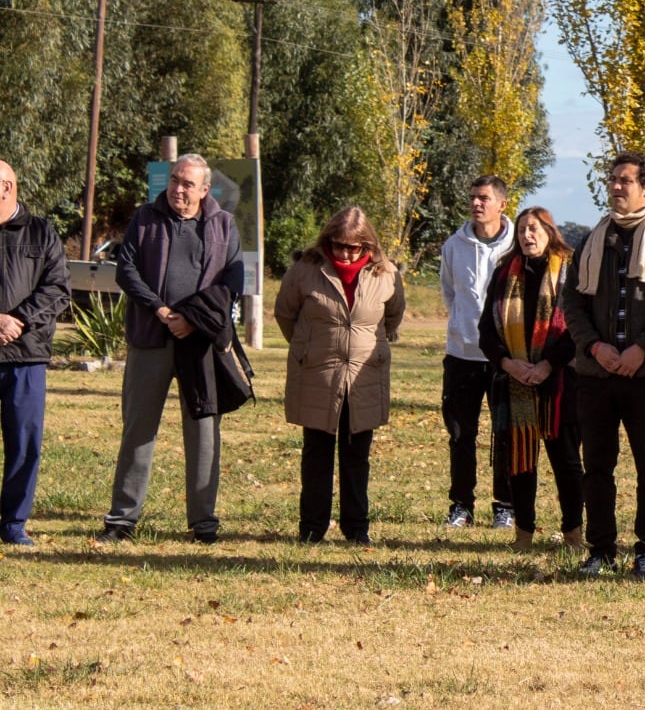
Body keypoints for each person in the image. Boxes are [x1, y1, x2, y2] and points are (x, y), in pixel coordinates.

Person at [562, 151, 645, 580]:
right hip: (597, 374)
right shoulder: (592, 241)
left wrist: (641, 349)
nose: (616, 187)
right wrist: (595, 347)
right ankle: (601, 550)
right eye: (613, 180)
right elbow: (573, 301)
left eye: (625, 180)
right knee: (597, 467)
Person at [103, 153, 243, 543]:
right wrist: (160, 309)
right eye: (175, 180)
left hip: (198, 345)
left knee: (203, 432)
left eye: (187, 184)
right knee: (138, 429)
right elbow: (126, 269)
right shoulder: (145, 218)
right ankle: (122, 520)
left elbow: (231, 280)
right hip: (150, 337)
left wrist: (192, 319)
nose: (179, 189)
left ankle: (204, 524)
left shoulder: (223, 224)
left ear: (204, 189)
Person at [275, 207, 404, 545]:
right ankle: (311, 528)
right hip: (318, 373)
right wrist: (310, 347)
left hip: (364, 377)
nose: (346, 253)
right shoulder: (306, 268)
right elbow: (285, 313)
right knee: (316, 453)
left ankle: (357, 528)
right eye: (339, 245)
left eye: (354, 247)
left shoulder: (386, 273)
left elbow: (392, 317)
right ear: (327, 241)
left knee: (356, 456)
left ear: (368, 246)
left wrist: (367, 347)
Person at [478, 207, 584, 552]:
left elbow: (577, 331)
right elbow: (486, 332)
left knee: (567, 461)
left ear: (550, 232)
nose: (527, 236)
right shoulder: (504, 273)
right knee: (520, 463)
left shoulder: (570, 272)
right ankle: (523, 534)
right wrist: (509, 364)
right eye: (522, 230)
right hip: (514, 382)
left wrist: (547, 366)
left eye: (534, 229)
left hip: (560, 384)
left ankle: (573, 534)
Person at [439, 175, 517, 529]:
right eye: (472, 197)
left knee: (506, 434)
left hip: (507, 357)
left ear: (502, 204)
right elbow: (450, 294)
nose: (476, 203)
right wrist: (462, 326)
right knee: (460, 434)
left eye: (484, 198)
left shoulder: (520, 244)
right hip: (462, 355)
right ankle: (461, 506)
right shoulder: (453, 246)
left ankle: (505, 504)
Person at [0, 161, 70, 546]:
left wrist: (17, 321)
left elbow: (58, 289)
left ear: (8, 187)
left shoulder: (41, 232)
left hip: (26, 356)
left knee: (25, 443)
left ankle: (13, 522)